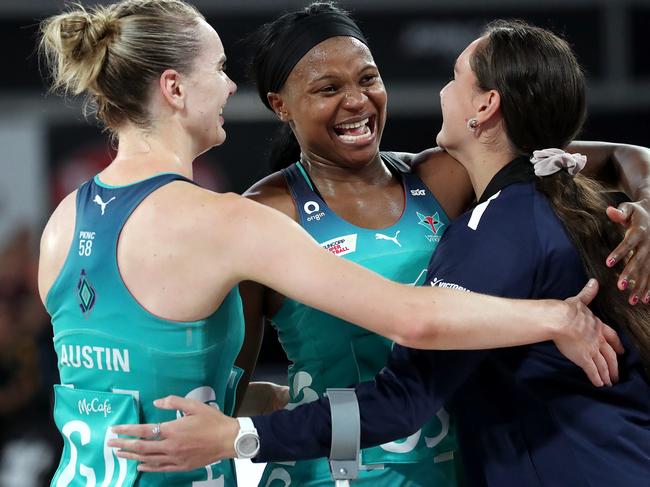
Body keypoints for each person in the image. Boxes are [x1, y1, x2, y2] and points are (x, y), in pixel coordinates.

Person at [38, 2, 624, 485]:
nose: (227, 85)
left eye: (368, 77)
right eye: (218, 68)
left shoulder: (64, 221)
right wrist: (552, 317)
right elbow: (410, 320)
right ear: (174, 87)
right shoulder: (234, 219)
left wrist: (642, 208)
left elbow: (183, 387)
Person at [227, 3, 650, 486]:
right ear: (281, 105)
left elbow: (620, 156)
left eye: (368, 79)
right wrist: (286, 398)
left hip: (462, 466)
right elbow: (228, 385)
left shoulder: (444, 174)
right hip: (333, 470)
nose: (357, 101)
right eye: (329, 89)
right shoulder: (263, 214)